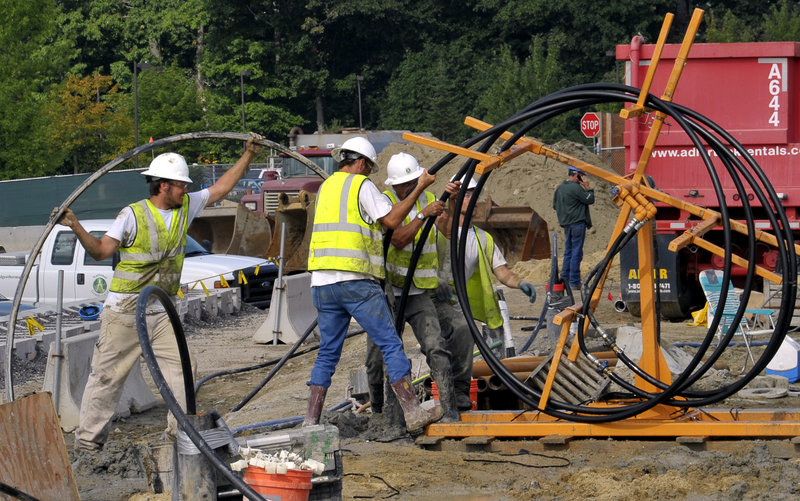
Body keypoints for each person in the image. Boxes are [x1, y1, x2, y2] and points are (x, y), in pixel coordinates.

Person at [59, 132, 263, 452]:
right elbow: (100, 251)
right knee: (107, 378)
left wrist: (248, 155)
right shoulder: (132, 215)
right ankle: (88, 445)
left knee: (183, 369)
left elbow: (221, 187)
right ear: (163, 185)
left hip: (161, 310)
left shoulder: (186, 206)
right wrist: (74, 225)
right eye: (182, 184)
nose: (187, 189)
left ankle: (182, 434)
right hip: (125, 311)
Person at [304, 137, 443, 433]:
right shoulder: (361, 186)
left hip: (321, 283)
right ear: (363, 163)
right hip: (355, 281)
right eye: (368, 168)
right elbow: (392, 220)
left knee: (328, 352)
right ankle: (413, 412)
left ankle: (310, 421)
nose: (368, 174)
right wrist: (420, 187)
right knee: (390, 344)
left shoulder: (325, 188)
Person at [364, 152, 459, 422]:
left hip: (418, 293)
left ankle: (450, 412)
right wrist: (421, 213)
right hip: (389, 295)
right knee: (376, 359)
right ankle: (380, 415)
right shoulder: (385, 204)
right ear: (393, 186)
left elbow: (449, 230)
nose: (409, 187)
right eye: (405, 184)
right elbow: (399, 240)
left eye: (413, 181)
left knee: (436, 348)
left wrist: (450, 202)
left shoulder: (430, 199)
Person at [434, 175, 537, 410]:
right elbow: (447, 229)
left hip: (461, 304)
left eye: (473, 195)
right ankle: (443, 392)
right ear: (455, 198)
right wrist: (451, 201)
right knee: (440, 347)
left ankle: (457, 395)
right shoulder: (441, 225)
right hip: (434, 298)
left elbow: (502, 272)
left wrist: (520, 283)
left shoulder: (482, 238)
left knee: (463, 347)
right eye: (466, 195)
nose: (472, 200)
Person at [552, 165, 594, 289]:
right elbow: (590, 199)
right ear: (577, 176)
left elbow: (555, 206)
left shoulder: (560, 188)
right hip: (577, 224)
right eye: (581, 176)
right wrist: (588, 188)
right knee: (576, 252)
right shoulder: (576, 188)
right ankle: (574, 282)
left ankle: (565, 279)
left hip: (566, 224)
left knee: (568, 252)